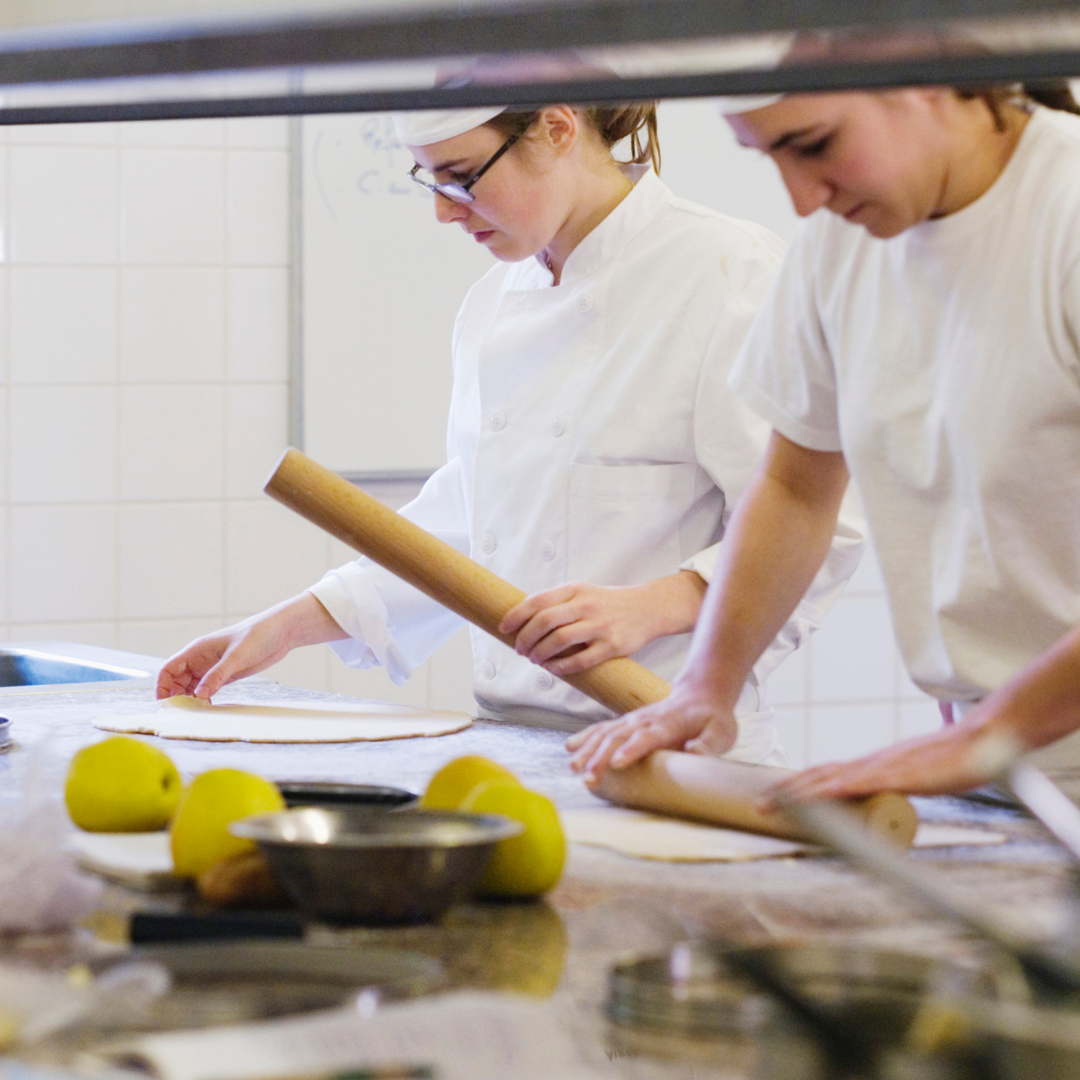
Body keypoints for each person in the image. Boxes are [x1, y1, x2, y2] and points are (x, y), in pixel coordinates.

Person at [157, 101, 862, 764]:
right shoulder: (492, 305)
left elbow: (821, 525)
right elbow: (468, 527)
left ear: (556, 129)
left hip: (679, 748)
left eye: (461, 179)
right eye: (429, 181)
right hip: (517, 747)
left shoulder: (728, 274)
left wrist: (649, 607)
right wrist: (286, 626)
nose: (441, 211)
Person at [567, 77, 1080, 796]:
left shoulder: (1064, 212)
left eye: (814, 145)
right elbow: (795, 489)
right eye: (767, 157)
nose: (803, 198)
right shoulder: (839, 250)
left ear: (925, 79)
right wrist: (706, 685)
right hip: (1003, 760)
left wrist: (984, 738)